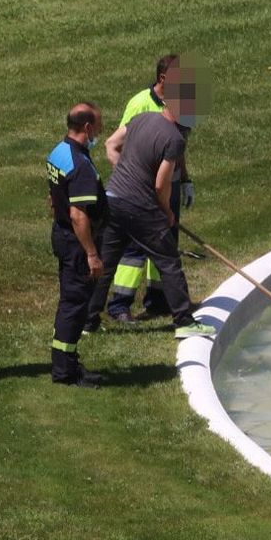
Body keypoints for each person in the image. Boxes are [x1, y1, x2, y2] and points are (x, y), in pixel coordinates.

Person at [84, 65, 214, 340]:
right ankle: (184, 320)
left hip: (113, 199)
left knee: (106, 263)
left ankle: (88, 320)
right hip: (140, 206)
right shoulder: (174, 139)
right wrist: (166, 212)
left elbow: (114, 143)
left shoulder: (142, 119)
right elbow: (160, 184)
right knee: (169, 260)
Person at [46, 103, 109, 387]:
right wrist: (92, 254)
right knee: (75, 304)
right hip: (77, 243)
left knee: (70, 302)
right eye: (99, 126)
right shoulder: (80, 164)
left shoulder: (58, 152)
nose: (100, 131)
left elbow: (54, 197)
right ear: (87, 127)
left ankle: (67, 362)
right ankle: (65, 371)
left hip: (63, 235)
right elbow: (78, 214)